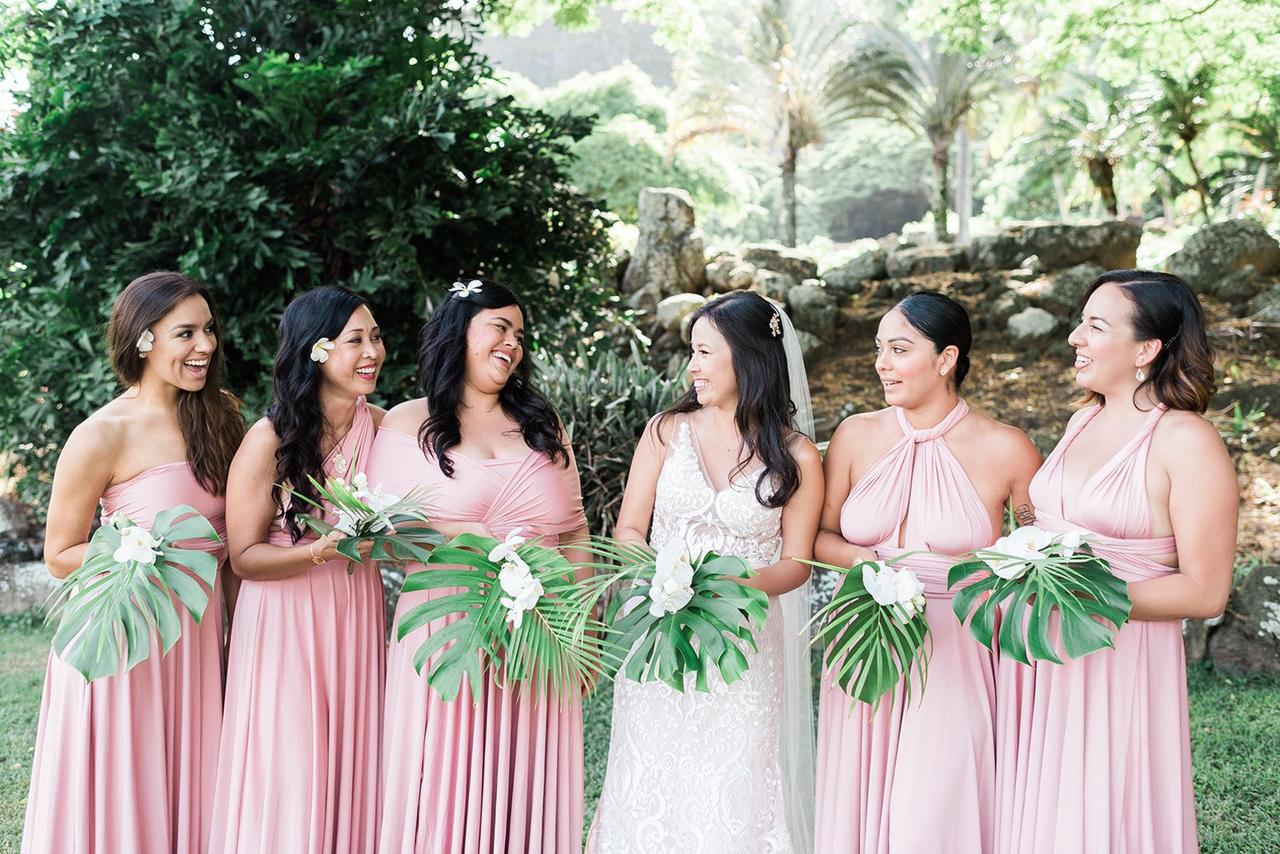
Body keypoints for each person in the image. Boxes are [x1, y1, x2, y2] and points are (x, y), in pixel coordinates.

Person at [994, 270, 1237, 853]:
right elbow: (1047, 522)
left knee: (1107, 810)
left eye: (1095, 326)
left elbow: (1206, 593)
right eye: (1080, 322)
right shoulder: (1084, 420)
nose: (1075, 337)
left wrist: (1076, 591)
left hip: (1120, 658)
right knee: (1044, 813)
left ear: (1147, 350)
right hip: (1043, 653)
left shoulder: (1186, 440)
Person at [588, 290, 824, 854]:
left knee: (733, 776)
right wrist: (661, 579)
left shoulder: (799, 457)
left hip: (745, 641)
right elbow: (628, 531)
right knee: (650, 766)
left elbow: (796, 562)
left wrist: (731, 588)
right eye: (690, 353)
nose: (691, 368)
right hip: (658, 631)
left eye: (704, 352)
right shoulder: (666, 432)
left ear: (748, 357)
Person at [813, 291, 1041, 853]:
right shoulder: (854, 436)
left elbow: (1039, 552)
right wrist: (864, 562)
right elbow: (818, 536)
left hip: (956, 646)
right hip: (862, 635)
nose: (881, 363)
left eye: (898, 349)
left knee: (935, 802)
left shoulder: (1007, 448)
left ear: (945, 359)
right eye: (878, 349)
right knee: (862, 793)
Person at [24, 271, 243, 853]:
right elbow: (59, 554)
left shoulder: (220, 416)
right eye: (186, 333)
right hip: (125, 638)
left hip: (195, 640)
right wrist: (137, 555)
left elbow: (235, 540)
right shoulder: (103, 434)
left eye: (210, 330)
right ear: (144, 340)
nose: (206, 346)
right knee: (130, 783)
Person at [371, 278, 590, 854]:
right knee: (445, 772)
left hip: (543, 624)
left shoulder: (543, 421)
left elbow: (575, 529)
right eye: (500, 327)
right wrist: (459, 537)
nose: (512, 343)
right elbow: (385, 536)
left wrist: (583, 629)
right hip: (448, 624)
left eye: (519, 334)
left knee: (528, 773)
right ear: (459, 334)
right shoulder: (404, 422)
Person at [210, 286, 387, 853]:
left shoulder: (381, 425)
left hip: (355, 611)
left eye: (377, 337)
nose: (373, 352)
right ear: (316, 351)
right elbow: (244, 556)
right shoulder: (268, 439)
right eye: (355, 340)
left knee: (351, 756)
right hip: (284, 619)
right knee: (289, 766)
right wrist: (324, 550)